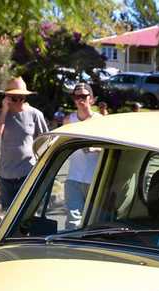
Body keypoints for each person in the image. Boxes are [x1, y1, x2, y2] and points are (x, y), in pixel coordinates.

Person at [0, 76, 48, 210]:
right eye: (15, 98)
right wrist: (4, 111)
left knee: (28, 214)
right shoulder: (0, 114)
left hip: (27, 173)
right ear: (7, 97)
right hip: (6, 175)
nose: (19, 101)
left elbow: (45, 142)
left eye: (22, 97)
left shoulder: (35, 114)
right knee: (8, 216)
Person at [62, 83, 100, 228]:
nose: (80, 99)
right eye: (77, 96)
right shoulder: (68, 121)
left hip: (96, 180)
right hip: (73, 178)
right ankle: (68, 250)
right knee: (73, 222)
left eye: (84, 96)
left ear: (91, 99)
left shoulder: (101, 120)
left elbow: (111, 150)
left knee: (93, 222)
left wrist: (94, 148)